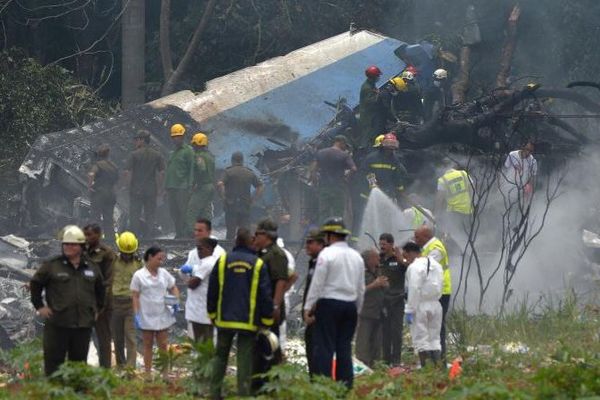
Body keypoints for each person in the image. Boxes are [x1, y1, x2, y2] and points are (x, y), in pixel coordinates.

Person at [207, 228, 274, 398]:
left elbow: (212, 290)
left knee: (220, 357)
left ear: (236, 241)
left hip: (224, 320)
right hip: (248, 321)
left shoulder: (222, 261)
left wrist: (212, 314)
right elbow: (265, 294)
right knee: (244, 360)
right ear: (249, 241)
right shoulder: (258, 264)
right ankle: (243, 395)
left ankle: (214, 393)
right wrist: (266, 319)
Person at [30, 225, 105, 376]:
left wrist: (97, 309)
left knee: (78, 367)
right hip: (58, 324)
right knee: (53, 366)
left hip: (82, 325)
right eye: (66, 244)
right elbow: (35, 284)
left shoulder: (91, 267)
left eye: (72, 244)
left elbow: (100, 290)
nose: (68, 247)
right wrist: (40, 306)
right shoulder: (52, 266)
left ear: (81, 246)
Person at [303, 217, 365, 388]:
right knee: (344, 348)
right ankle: (345, 388)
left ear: (330, 236)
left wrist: (308, 307)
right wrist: (358, 310)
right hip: (350, 306)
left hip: (329, 305)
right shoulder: (356, 257)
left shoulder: (326, 254)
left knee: (325, 347)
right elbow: (361, 288)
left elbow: (317, 283)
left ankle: (325, 386)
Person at [131, 246, 180, 375]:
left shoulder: (164, 273)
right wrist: (136, 314)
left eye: (162, 259)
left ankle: (165, 374)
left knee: (163, 345)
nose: (161, 262)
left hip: (162, 313)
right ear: (150, 257)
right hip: (146, 315)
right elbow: (135, 296)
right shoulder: (139, 275)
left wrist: (176, 301)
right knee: (147, 345)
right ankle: (148, 374)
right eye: (159, 259)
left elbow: (173, 287)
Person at [252, 219, 289, 390]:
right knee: (260, 345)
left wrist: (275, 305)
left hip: (270, 308)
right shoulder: (262, 253)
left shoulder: (276, 254)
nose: (255, 236)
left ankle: (272, 382)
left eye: (257, 233)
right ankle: (260, 381)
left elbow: (281, 281)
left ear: (265, 235)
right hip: (259, 307)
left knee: (270, 345)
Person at [402, 241, 444, 367]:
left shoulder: (414, 267)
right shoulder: (437, 265)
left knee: (421, 340)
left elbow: (414, 288)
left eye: (406, 256)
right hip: (436, 304)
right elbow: (441, 284)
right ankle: (438, 368)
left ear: (411, 253)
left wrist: (409, 310)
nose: (406, 260)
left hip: (420, 305)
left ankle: (426, 370)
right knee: (434, 339)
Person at [414, 226, 451, 361]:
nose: (415, 240)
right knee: (430, 327)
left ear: (426, 237)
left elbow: (424, 267)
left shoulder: (436, 248)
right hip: (433, 293)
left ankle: (440, 361)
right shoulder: (427, 248)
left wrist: (406, 260)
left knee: (437, 327)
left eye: (417, 237)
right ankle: (432, 360)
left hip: (441, 292)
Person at [83, 224, 116, 368]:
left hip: (101, 305)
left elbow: (109, 281)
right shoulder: (81, 252)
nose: (86, 238)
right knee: (81, 338)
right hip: (84, 303)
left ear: (98, 235)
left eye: (89, 235)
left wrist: (101, 304)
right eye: (85, 235)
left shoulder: (107, 253)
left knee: (103, 339)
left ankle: (105, 371)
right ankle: (80, 370)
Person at [124, 130, 165, 238]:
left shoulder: (133, 154)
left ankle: (135, 237)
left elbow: (127, 172)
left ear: (142, 140)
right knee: (150, 214)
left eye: (137, 139)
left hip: (136, 190)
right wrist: (160, 188)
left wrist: (128, 187)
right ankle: (149, 236)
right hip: (151, 190)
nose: (135, 142)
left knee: (134, 214)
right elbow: (161, 173)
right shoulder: (157, 155)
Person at [111, 231, 142, 368]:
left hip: (131, 304)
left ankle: (130, 369)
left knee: (130, 337)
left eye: (130, 253)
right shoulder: (112, 262)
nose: (127, 255)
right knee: (117, 338)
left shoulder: (139, 264)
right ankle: (120, 366)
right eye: (125, 253)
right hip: (115, 304)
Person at [217, 152, 264, 240]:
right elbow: (260, 186)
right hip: (245, 205)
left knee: (231, 231)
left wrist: (223, 197)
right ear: (242, 160)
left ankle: (229, 250)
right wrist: (254, 200)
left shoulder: (228, 172)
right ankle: (244, 250)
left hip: (231, 205)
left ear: (232, 160)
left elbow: (220, 184)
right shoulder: (249, 172)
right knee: (245, 232)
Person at [311, 135, 357, 222]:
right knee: (338, 214)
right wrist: (347, 178)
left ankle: (323, 234)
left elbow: (313, 169)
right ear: (341, 142)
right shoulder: (344, 155)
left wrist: (315, 181)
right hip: (338, 188)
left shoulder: (320, 152)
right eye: (345, 145)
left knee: (323, 213)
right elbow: (354, 169)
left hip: (324, 187)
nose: (345, 148)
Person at [355, 248, 387, 367]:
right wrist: (375, 284)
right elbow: (357, 291)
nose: (379, 258)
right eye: (376, 257)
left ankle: (375, 366)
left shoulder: (379, 271)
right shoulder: (360, 273)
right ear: (369, 259)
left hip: (378, 312)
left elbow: (385, 287)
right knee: (363, 341)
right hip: (365, 312)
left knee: (376, 343)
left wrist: (384, 285)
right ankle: (362, 365)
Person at [183, 237, 219, 343]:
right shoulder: (211, 262)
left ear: (208, 248)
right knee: (207, 341)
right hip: (204, 309)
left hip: (200, 311)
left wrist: (186, 277)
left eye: (200, 249)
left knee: (201, 342)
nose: (198, 252)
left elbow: (193, 284)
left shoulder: (207, 263)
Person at [379, 233, 407, 366]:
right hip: (384, 301)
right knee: (385, 331)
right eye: (381, 244)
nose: (382, 246)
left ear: (391, 244)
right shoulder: (379, 259)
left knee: (396, 331)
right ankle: (385, 360)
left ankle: (396, 361)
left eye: (384, 244)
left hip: (397, 300)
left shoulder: (399, 259)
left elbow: (410, 268)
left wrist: (401, 258)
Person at [165, 123, 195, 238]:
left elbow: (192, 169)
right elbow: (170, 171)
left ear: (183, 136)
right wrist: (166, 187)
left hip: (182, 187)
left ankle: (185, 234)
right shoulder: (173, 153)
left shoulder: (188, 151)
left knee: (184, 212)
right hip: (172, 187)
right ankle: (178, 233)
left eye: (178, 136)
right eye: (174, 136)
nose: (175, 139)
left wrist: (191, 185)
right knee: (174, 211)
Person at [301, 229, 325, 375]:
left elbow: (324, 291)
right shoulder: (313, 262)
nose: (307, 246)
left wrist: (315, 313)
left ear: (321, 244)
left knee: (319, 356)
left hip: (319, 318)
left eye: (310, 242)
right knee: (311, 354)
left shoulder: (323, 263)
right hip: (311, 317)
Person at [361, 132, 409, 202]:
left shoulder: (395, 160)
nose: (390, 149)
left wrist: (400, 190)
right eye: (388, 147)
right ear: (382, 146)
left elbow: (397, 176)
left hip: (388, 192)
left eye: (392, 146)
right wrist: (373, 183)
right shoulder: (371, 158)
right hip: (369, 193)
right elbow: (366, 171)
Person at [186, 132, 216, 232]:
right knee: (205, 211)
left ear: (197, 144)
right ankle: (206, 232)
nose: (192, 145)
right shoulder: (210, 157)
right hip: (210, 186)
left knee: (192, 210)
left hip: (202, 186)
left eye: (194, 143)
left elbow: (201, 169)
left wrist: (196, 183)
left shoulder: (198, 156)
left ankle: (191, 233)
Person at [88, 144, 119, 235]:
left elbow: (91, 174)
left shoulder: (98, 165)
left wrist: (90, 186)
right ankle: (110, 239)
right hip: (111, 194)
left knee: (95, 217)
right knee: (108, 218)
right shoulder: (114, 167)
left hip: (99, 193)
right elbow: (117, 181)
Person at [436, 164, 473, 237]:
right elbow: (472, 190)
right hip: (468, 210)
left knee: (454, 234)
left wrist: (436, 213)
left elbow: (439, 198)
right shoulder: (463, 174)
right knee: (468, 234)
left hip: (454, 212)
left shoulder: (442, 180)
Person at [500, 140, 538, 212]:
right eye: (527, 149)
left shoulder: (533, 161)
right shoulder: (512, 155)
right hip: (507, 187)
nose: (528, 152)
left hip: (521, 190)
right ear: (523, 147)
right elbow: (505, 169)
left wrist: (530, 191)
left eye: (531, 151)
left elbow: (533, 177)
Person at [358, 65, 386, 150]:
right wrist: (379, 94)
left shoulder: (371, 84)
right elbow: (370, 102)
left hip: (371, 113)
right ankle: (363, 149)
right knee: (368, 133)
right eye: (378, 76)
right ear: (374, 77)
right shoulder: (367, 88)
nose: (379, 77)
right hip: (368, 115)